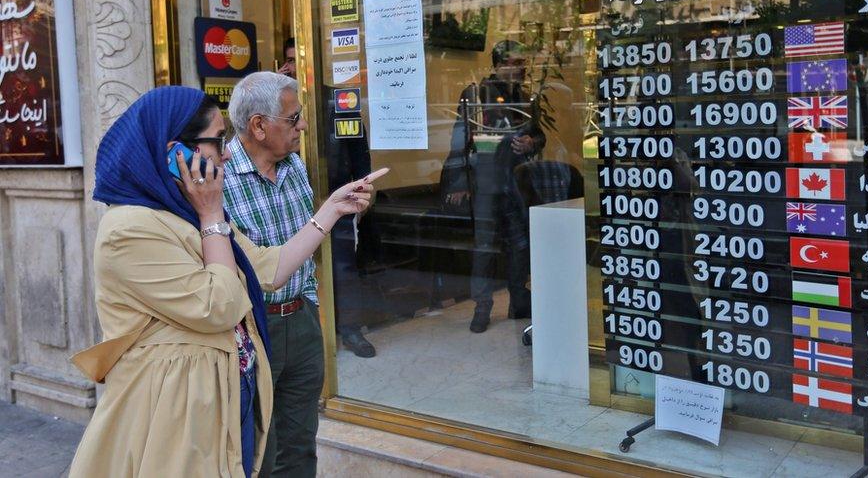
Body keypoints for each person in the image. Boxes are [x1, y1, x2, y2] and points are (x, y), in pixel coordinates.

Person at [68, 86, 381, 477]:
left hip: (221, 397)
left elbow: (269, 267)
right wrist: (213, 213)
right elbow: (219, 306)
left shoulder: (184, 213)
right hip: (174, 416)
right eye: (217, 141)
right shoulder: (130, 229)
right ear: (175, 152)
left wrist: (332, 209)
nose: (228, 152)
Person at [278, 37, 378, 359]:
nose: (292, 66)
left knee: (344, 267)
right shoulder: (274, 107)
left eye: (298, 60)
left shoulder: (337, 101)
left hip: (334, 198)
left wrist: (360, 192)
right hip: (292, 199)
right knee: (294, 266)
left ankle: (349, 329)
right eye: (288, 60)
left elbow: (358, 151)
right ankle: (313, 332)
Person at [441, 40, 546, 333]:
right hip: (485, 184)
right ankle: (482, 307)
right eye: (511, 63)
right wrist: (460, 181)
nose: (518, 69)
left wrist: (531, 142)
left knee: (519, 247)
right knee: (484, 248)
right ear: (497, 65)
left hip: (517, 184)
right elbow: (459, 140)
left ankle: (518, 300)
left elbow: (540, 136)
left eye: (521, 64)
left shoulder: (525, 98)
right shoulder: (476, 94)